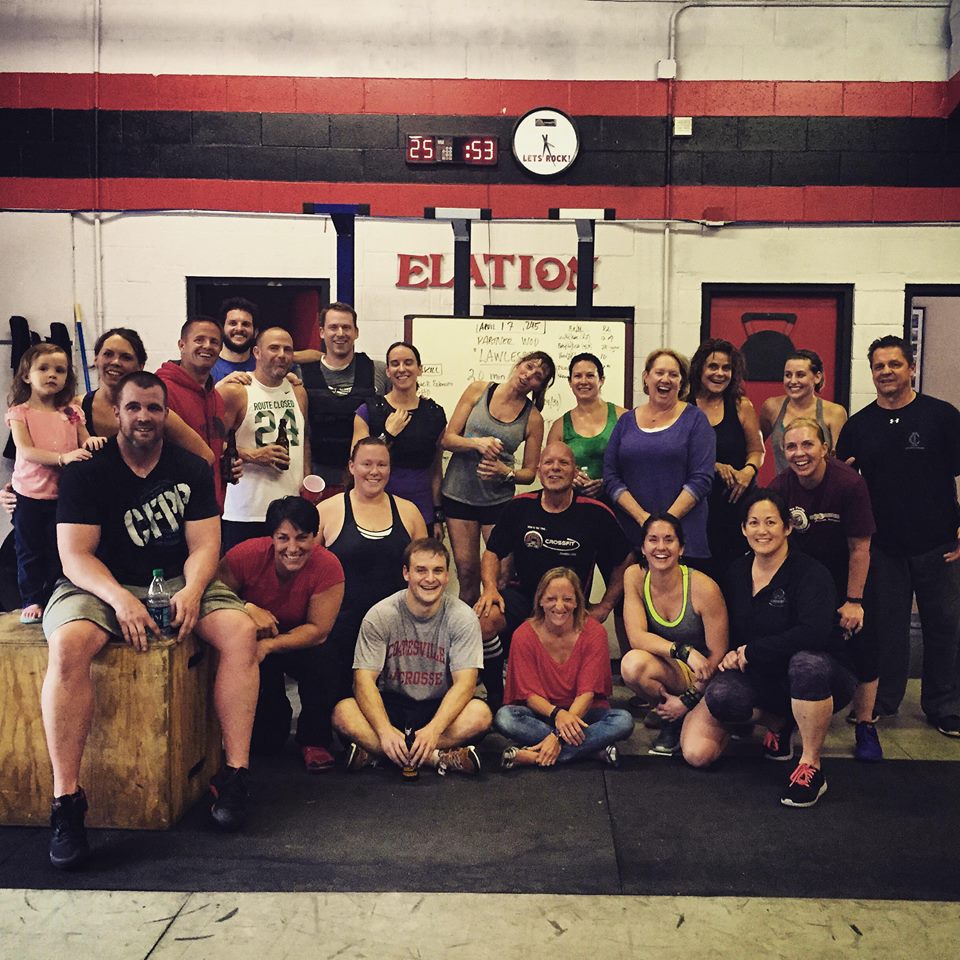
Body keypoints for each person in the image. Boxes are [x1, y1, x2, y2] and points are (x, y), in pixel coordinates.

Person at [41, 372, 259, 869]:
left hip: (177, 578)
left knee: (240, 631)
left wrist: (194, 589)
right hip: (101, 582)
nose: (144, 417)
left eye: (154, 408)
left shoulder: (190, 467)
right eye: (134, 407)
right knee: (69, 645)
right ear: (117, 413)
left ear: (166, 415)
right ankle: (66, 801)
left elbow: (205, 545)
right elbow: (76, 556)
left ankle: (235, 776)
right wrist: (120, 600)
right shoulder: (87, 472)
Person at [682, 490, 857, 809]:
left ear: (787, 527)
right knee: (721, 697)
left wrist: (751, 652)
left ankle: (811, 766)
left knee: (806, 664)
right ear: (743, 529)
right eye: (753, 523)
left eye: (770, 522)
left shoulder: (811, 573)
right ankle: (778, 722)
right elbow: (728, 629)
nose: (762, 530)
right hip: (763, 678)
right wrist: (726, 657)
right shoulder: (736, 572)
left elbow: (814, 634)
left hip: (822, 677)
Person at [836, 335, 960, 737]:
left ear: (911, 368)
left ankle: (944, 705)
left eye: (894, 364)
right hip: (882, 546)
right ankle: (882, 701)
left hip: (939, 543)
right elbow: (845, 483)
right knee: (886, 628)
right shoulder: (858, 426)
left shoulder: (941, 416)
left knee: (944, 626)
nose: (886, 372)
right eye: (879, 366)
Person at [474, 441, 634, 705]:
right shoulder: (519, 506)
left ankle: (572, 702)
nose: (555, 468)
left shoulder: (595, 513)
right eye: (548, 462)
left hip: (569, 606)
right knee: (484, 619)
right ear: (539, 470)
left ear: (575, 472)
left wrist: (605, 605)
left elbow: (626, 560)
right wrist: (490, 588)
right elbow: (492, 552)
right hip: (524, 597)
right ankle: (495, 695)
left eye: (563, 463)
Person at [332, 537, 492, 775]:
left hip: (439, 706)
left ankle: (379, 755)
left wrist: (434, 730)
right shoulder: (381, 614)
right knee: (343, 712)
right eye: (421, 570)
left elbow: (465, 684)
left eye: (438, 571)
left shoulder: (463, 617)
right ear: (406, 573)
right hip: (392, 704)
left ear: (447, 576)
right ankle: (436, 758)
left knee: (480, 714)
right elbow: (363, 680)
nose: (430, 579)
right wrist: (385, 731)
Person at [769, 418, 880, 761]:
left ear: (825, 449)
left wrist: (854, 600)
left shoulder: (849, 483)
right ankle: (785, 722)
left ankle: (865, 725)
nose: (799, 453)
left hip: (847, 574)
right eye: (791, 446)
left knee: (863, 644)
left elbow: (860, 547)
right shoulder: (780, 486)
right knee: (793, 647)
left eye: (807, 444)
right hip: (804, 581)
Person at [218, 496, 345, 772]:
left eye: (302, 538)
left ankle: (314, 739)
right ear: (272, 537)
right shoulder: (245, 555)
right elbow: (213, 593)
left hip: (301, 642)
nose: (293, 548)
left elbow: (318, 630)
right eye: (283, 538)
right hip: (254, 641)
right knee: (267, 743)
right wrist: (247, 607)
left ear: (314, 537)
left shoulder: (328, 566)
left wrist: (270, 646)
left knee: (325, 657)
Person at [318, 437, 427, 703]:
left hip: (397, 630)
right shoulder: (327, 510)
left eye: (382, 464)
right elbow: (308, 570)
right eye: (366, 464)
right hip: (341, 630)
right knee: (340, 706)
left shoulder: (409, 512)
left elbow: (426, 572)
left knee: (394, 707)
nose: (374, 471)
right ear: (351, 466)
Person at [441, 351, 554, 606]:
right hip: (459, 495)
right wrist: (477, 443)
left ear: (539, 386)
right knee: (467, 574)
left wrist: (505, 472)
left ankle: (494, 629)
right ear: (519, 364)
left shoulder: (533, 418)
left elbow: (530, 473)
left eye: (538, 376)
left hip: (498, 503)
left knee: (501, 577)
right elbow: (448, 439)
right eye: (529, 366)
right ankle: (467, 629)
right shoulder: (478, 390)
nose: (529, 375)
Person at [5, 344, 105, 623]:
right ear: (26, 375)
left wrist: (92, 442)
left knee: (58, 548)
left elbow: (84, 438)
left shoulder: (71, 411)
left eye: (59, 370)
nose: (52, 375)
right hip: (29, 495)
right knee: (29, 549)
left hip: (62, 495)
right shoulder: (20, 412)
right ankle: (32, 598)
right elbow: (26, 451)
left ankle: (57, 594)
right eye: (44, 369)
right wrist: (62, 458)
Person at [495, 567, 634, 768]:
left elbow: (587, 695)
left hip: (584, 715)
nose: (559, 606)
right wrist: (557, 716)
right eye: (551, 599)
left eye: (567, 599)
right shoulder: (523, 635)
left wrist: (557, 737)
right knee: (505, 718)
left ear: (577, 602)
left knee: (623, 720)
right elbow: (530, 697)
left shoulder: (594, 632)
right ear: (540, 601)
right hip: (544, 714)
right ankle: (592, 752)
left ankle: (535, 755)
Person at [620, 513, 729, 756]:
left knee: (698, 755)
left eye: (669, 540)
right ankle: (670, 716)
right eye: (653, 539)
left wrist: (689, 699)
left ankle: (700, 715)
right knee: (632, 664)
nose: (661, 547)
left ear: (681, 548)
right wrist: (684, 651)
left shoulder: (704, 588)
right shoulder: (634, 576)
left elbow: (718, 653)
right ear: (643, 548)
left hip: (707, 676)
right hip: (678, 666)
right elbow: (637, 637)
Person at [603, 349, 715, 566]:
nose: (666, 379)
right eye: (659, 372)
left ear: (681, 382)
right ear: (646, 377)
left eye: (673, 374)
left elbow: (701, 479)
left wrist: (664, 525)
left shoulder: (696, 420)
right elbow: (611, 476)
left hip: (682, 540)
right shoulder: (626, 421)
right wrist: (643, 519)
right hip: (631, 539)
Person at [217, 327, 310, 551]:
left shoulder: (298, 390)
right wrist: (253, 455)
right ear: (257, 352)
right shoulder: (237, 391)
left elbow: (304, 439)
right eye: (274, 348)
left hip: (289, 509)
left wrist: (306, 479)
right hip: (246, 511)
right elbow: (212, 444)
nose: (282, 355)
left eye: (288, 349)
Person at [351, 341, 446, 537]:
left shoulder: (434, 413)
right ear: (387, 371)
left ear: (419, 369)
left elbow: (436, 469)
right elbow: (357, 462)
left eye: (408, 362)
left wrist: (438, 514)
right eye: (395, 364)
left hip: (421, 509)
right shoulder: (367, 410)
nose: (402, 369)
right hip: (377, 506)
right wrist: (388, 434)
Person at [80, 327, 214, 463]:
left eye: (126, 357)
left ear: (141, 366)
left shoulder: (157, 414)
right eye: (108, 354)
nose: (115, 362)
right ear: (96, 359)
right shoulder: (77, 409)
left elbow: (206, 456)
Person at [688, 339, 764, 578]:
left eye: (726, 368)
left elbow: (757, 450)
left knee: (735, 577)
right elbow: (677, 455)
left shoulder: (741, 405)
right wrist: (712, 465)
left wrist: (748, 472)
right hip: (697, 508)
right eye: (713, 367)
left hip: (736, 505)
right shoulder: (683, 405)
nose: (720, 373)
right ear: (700, 369)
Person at [299, 302, 387, 495]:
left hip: (367, 479)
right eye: (333, 327)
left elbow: (403, 401)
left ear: (356, 332)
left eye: (346, 327)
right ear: (322, 332)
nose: (340, 333)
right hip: (318, 478)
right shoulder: (301, 374)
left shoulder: (378, 370)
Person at [156, 316, 235, 508]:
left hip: (210, 507)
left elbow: (211, 452)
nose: (207, 346)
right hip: (173, 508)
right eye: (199, 340)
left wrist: (226, 468)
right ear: (182, 345)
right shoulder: (160, 392)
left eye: (214, 342)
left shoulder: (215, 397)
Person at [546, 352, 626, 498]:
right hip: (573, 504)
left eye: (590, 376)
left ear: (601, 380)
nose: (583, 381)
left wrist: (607, 484)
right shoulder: (559, 426)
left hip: (617, 503)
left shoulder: (623, 418)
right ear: (570, 382)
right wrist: (570, 479)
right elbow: (550, 470)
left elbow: (635, 465)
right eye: (577, 376)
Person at [759, 349, 848, 475]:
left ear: (817, 377)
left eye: (800, 375)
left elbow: (839, 460)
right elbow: (754, 448)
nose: (793, 381)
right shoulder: (772, 407)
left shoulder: (834, 412)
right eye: (788, 375)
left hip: (822, 485)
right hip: (784, 486)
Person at [211, 297, 259, 383]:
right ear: (221, 330)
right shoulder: (207, 367)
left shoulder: (263, 368)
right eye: (233, 323)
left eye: (245, 324)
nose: (239, 329)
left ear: (255, 332)